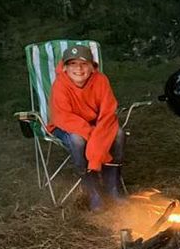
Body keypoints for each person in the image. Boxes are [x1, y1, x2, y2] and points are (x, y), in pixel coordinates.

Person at [47, 44, 126, 212]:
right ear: (65, 68)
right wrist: (95, 139)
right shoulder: (60, 85)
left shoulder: (101, 80)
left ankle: (112, 186)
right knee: (77, 139)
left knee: (118, 134)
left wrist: (98, 138)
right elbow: (63, 117)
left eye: (83, 64)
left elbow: (108, 112)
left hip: (95, 124)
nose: (79, 69)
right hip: (65, 125)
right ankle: (92, 190)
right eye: (73, 64)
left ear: (92, 67)